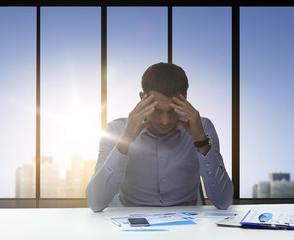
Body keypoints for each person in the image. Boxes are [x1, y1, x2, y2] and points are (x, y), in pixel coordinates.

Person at [86, 62, 234, 212]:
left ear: (185, 98)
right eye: (156, 110)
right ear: (142, 99)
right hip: (129, 226)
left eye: (172, 110)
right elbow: (96, 203)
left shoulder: (202, 127)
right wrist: (125, 140)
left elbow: (223, 201)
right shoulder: (115, 130)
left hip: (186, 227)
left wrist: (201, 141)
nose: (165, 121)